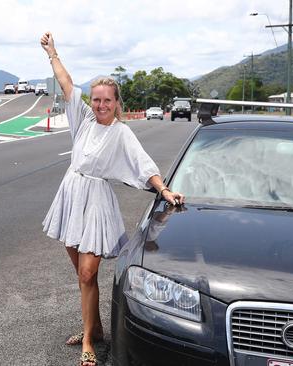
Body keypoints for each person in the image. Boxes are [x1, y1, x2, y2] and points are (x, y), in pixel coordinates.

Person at [40, 32, 185, 366]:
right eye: (97, 100)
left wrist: (163, 189)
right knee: (82, 274)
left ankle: (89, 340)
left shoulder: (122, 132)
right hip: (72, 195)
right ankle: (96, 327)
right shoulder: (84, 120)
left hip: (96, 201)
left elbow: (143, 164)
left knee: (89, 273)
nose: (101, 106)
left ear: (117, 103)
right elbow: (67, 83)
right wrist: (53, 53)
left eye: (107, 101)